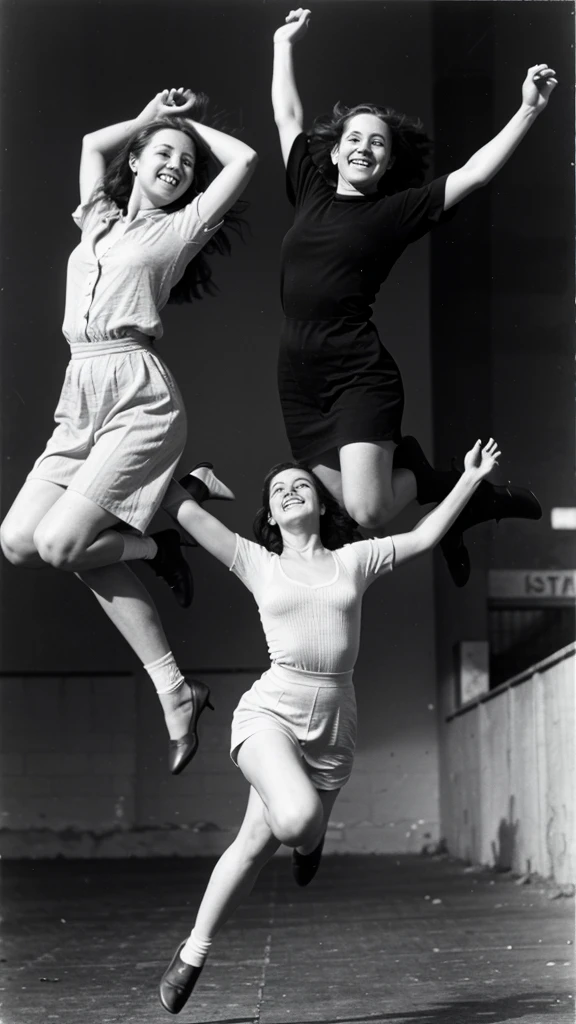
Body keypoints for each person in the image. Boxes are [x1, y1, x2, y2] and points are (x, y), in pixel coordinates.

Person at [158, 436, 500, 1014]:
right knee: (296, 819)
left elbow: (421, 537)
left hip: (336, 723)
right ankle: (300, 845)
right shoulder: (255, 561)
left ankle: (192, 952)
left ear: (320, 503)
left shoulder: (354, 561)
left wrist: (468, 479)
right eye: (278, 491)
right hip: (271, 711)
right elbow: (180, 508)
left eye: (301, 485)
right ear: (270, 515)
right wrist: (151, 457)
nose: (291, 490)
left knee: (253, 844)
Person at [0, 87, 257, 774]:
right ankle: (175, 663)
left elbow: (246, 159)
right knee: (20, 541)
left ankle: (160, 545)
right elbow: (91, 145)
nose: (175, 164)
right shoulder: (98, 219)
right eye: (162, 155)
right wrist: (152, 118)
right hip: (77, 393)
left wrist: (186, 124)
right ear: (136, 163)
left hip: (137, 393)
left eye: (184, 161)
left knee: (63, 544)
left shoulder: (178, 231)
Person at [271, 8, 557, 586]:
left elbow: (474, 174)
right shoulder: (309, 189)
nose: (363, 148)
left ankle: (452, 491)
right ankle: (450, 498)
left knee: (371, 511)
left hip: (356, 371)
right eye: (354, 138)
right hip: (298, 375)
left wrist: (527, 109)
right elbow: (288, 114)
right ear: (333, 152)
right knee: (350, 509)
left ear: (388, 162)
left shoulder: (394, 212)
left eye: (377, 143)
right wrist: (282, 44)